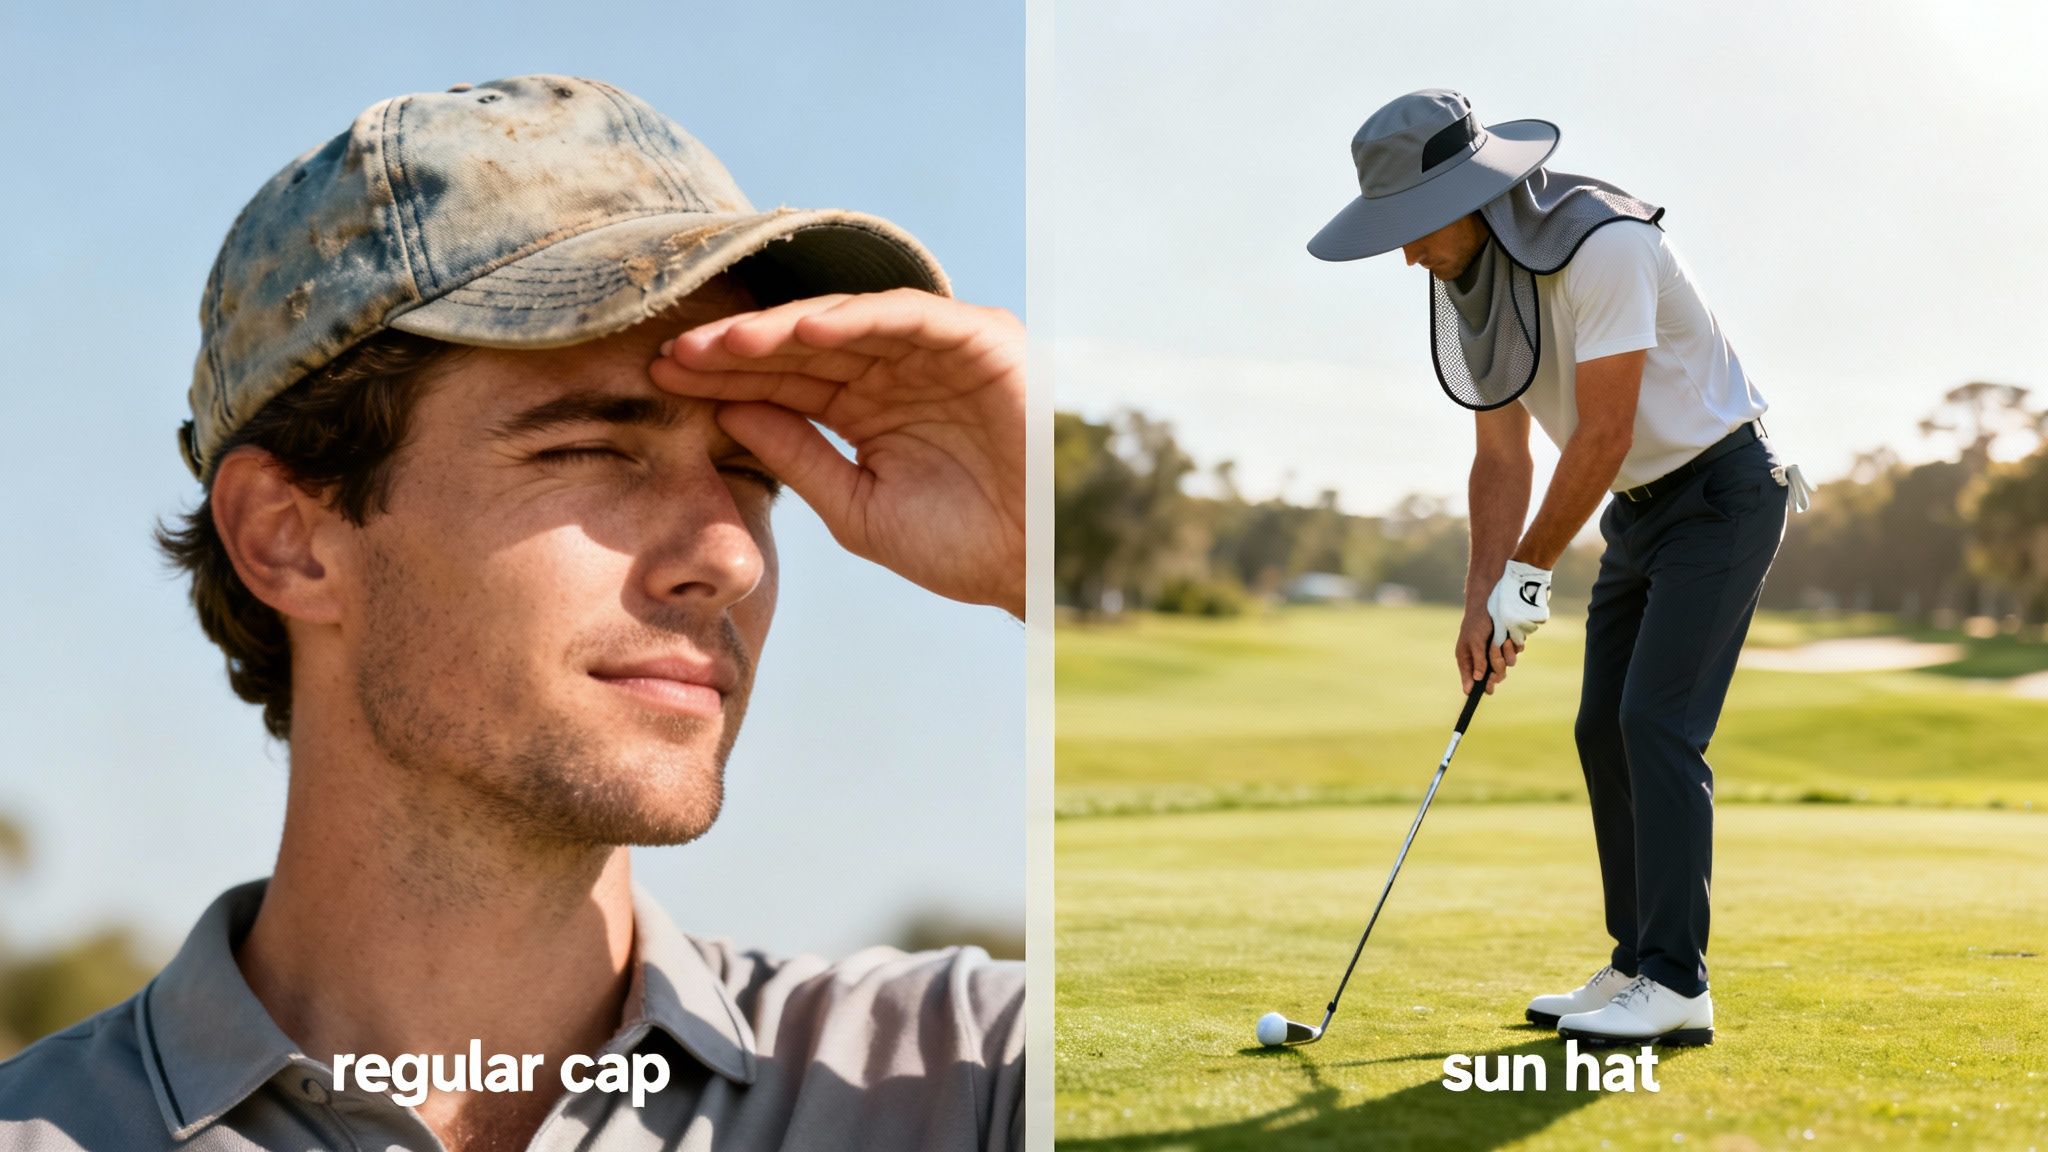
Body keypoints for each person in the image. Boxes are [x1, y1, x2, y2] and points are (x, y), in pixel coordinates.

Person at [0, 75, 1024, 1150]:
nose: (728, 554)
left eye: (751, 471)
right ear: (286, 539)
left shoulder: (960, 1080)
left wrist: (1044, 547)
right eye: (590, 449)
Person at [1307, 89, 1811, 1046]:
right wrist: (1478, 603)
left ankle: (1678, 985)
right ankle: (1635, 963)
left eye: (1414, 228)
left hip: (1724, 494)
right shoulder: (1473, 286)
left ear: (1473, 196)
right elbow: (1503, 457)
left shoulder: (1605, 244)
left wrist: (1526, 581)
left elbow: (1607, 433)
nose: (1407, 253)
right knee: (1601, 729)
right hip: (1638, 512)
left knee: (1655, 723)